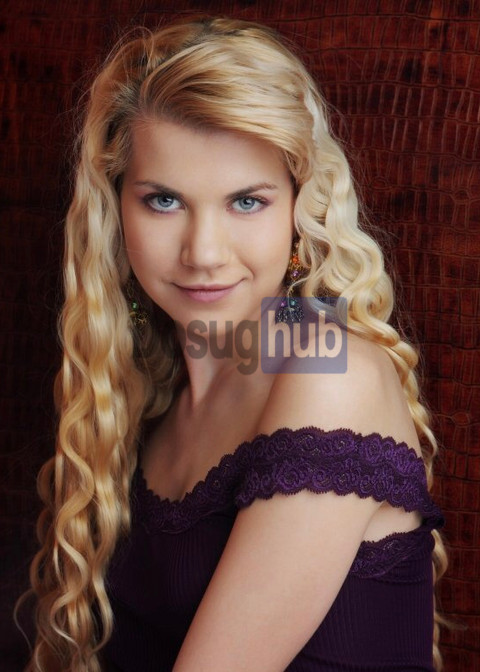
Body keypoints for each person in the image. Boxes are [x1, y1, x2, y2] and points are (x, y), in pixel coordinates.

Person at [23, 16, 447, 672]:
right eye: (164, 201)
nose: (204, 253)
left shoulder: (330, 374)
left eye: (246, 202)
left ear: (299, 210)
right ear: (116, 209)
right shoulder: (154, 391)